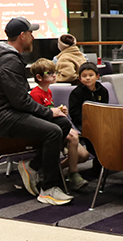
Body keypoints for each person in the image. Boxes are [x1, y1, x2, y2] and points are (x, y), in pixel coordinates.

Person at [0, 17, 73, 206]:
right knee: (53, 131)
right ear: (22, 36)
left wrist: (50, 113)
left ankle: (32, 165)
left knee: (63, 124)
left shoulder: (9, 57)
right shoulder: (9, 61)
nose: (33, 37)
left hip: (10, 111)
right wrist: (49, 113)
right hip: (5, 116)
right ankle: (48, 189)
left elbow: (20, 99)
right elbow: (20, 101)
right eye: (31, 33)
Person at [29, 58, 89, 191]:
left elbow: (49, 111)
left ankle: (57, 169)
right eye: (49, 73)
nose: (54, 75)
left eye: (54, 72)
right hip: (47, 131)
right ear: (39, 77)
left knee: (84, 155)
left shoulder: (48, 91)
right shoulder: (35, 94)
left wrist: (60, 111)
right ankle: (73, 174)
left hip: (55, 127)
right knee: (74, 138)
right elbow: (39, 117)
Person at [69, 62, 112, 177]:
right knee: (96, 139)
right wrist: (89, 122)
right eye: (84, 76)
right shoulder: (76, 93)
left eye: (91, 75)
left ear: (97, 76)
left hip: (100, 122)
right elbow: (74, 114)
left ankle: (105, 161)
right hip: (83, 123)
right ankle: (99, 162)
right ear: (79, 78)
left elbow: (105, 109)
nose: (87, 78)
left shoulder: (103, 91)